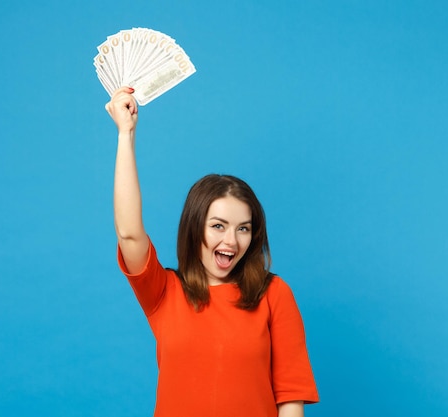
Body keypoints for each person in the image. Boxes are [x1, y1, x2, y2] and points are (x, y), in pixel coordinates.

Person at [106, 86, 319, 417]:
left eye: (243, 228)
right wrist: (126, 134)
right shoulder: (164, 292)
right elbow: (129, 234)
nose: (231, 242)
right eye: (218, 226)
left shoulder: (274, 294)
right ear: (195, 229)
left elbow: (290, 398)